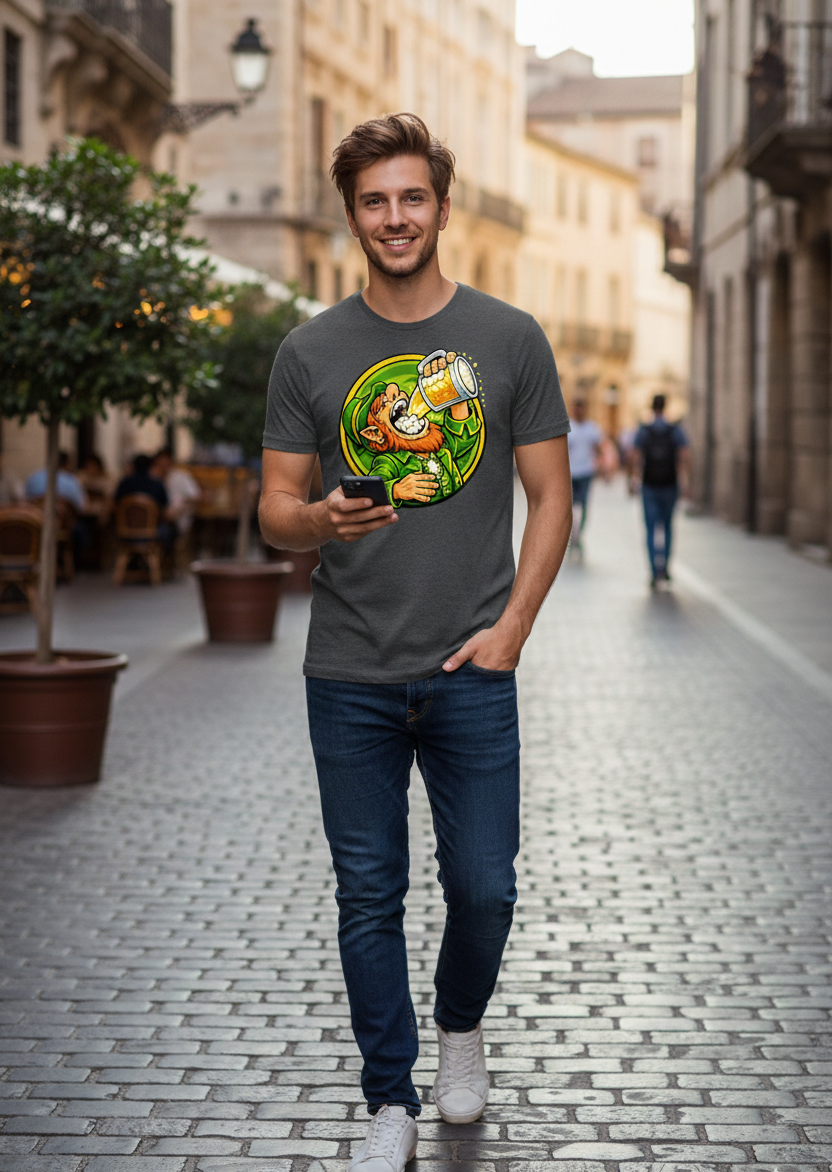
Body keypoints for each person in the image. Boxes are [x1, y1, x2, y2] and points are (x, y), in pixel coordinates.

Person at [259, 113, 572, 1172]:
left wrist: (511, 630)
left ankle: (461, 1026)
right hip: (347, 668)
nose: (394, 218)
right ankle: (387, 1095)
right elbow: (273, 508)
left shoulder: (509, 336)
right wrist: (319, 522)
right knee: (368, 893)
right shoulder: (309, 350)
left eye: (411, 197)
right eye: (374, 201)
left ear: (440, 204)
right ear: (352, 213)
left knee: (485, 886)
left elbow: (550, 497)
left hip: (470, 669)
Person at [630, 394, 689, 588]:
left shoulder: (644, 430)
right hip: (670, 485)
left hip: (649, 485)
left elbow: (635, 455)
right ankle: (666, 568)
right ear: (665, 407)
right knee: (668, 527)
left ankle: (654, 571)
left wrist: (633, 479)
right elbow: (683, 455)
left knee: (650, 528)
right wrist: (685, 480)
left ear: (652, 407)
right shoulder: (675, 430)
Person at [115, 453, 175, 552]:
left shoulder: (124, 483)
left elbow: (115, 504)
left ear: (133, 466)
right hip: (152, 533)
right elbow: (165, 508)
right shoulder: (157, 484)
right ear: (151, 466)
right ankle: (167, 561)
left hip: (125, 532)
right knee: (170, 529)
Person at [566, 399, 603, 554]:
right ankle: (570, 536)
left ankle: (579, 535)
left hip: (586, 472)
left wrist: (602, 467)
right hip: (570, 473)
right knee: (569, 508)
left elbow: (598, 449)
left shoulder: (592, 428)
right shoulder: (568, 427)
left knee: (584, 506)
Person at [151, 448, 202, 534]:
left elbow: (196, 496)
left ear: (170, 462)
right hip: (156, 522)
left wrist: (180, 506)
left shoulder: (181, 477)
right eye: (160, 463)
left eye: (165, 462)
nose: (163, 465)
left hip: (178, 520)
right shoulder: (153, 479)